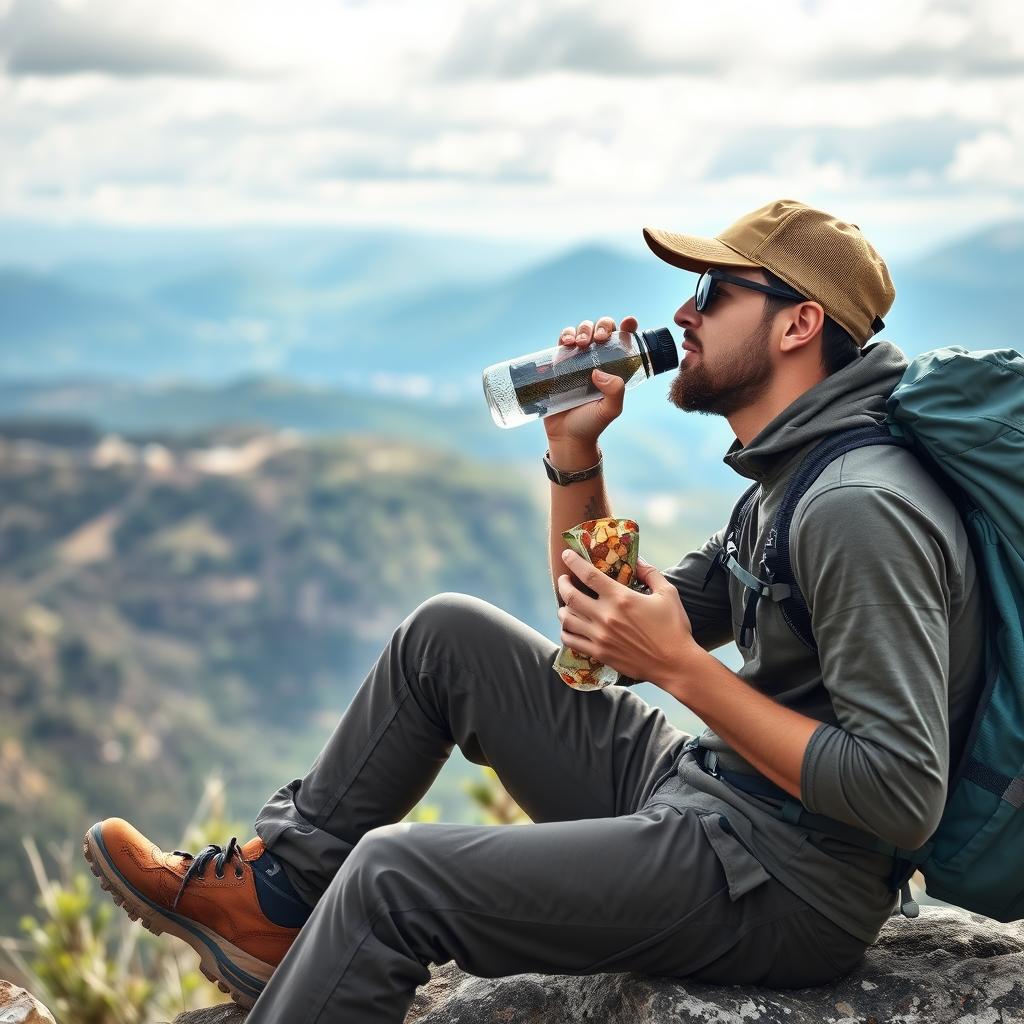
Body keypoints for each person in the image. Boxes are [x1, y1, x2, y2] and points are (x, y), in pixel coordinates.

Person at [83, 198, 986, 1021]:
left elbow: (899, 794)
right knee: (448, 636)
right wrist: (574, 450)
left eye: (713, 291)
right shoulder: (792, 477)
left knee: (396, 876)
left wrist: (686, 669)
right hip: (712, 799)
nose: (683, 313)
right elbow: (606, 636)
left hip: (783, 883)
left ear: (800, 323)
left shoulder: (858, 508)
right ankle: (276, 902)